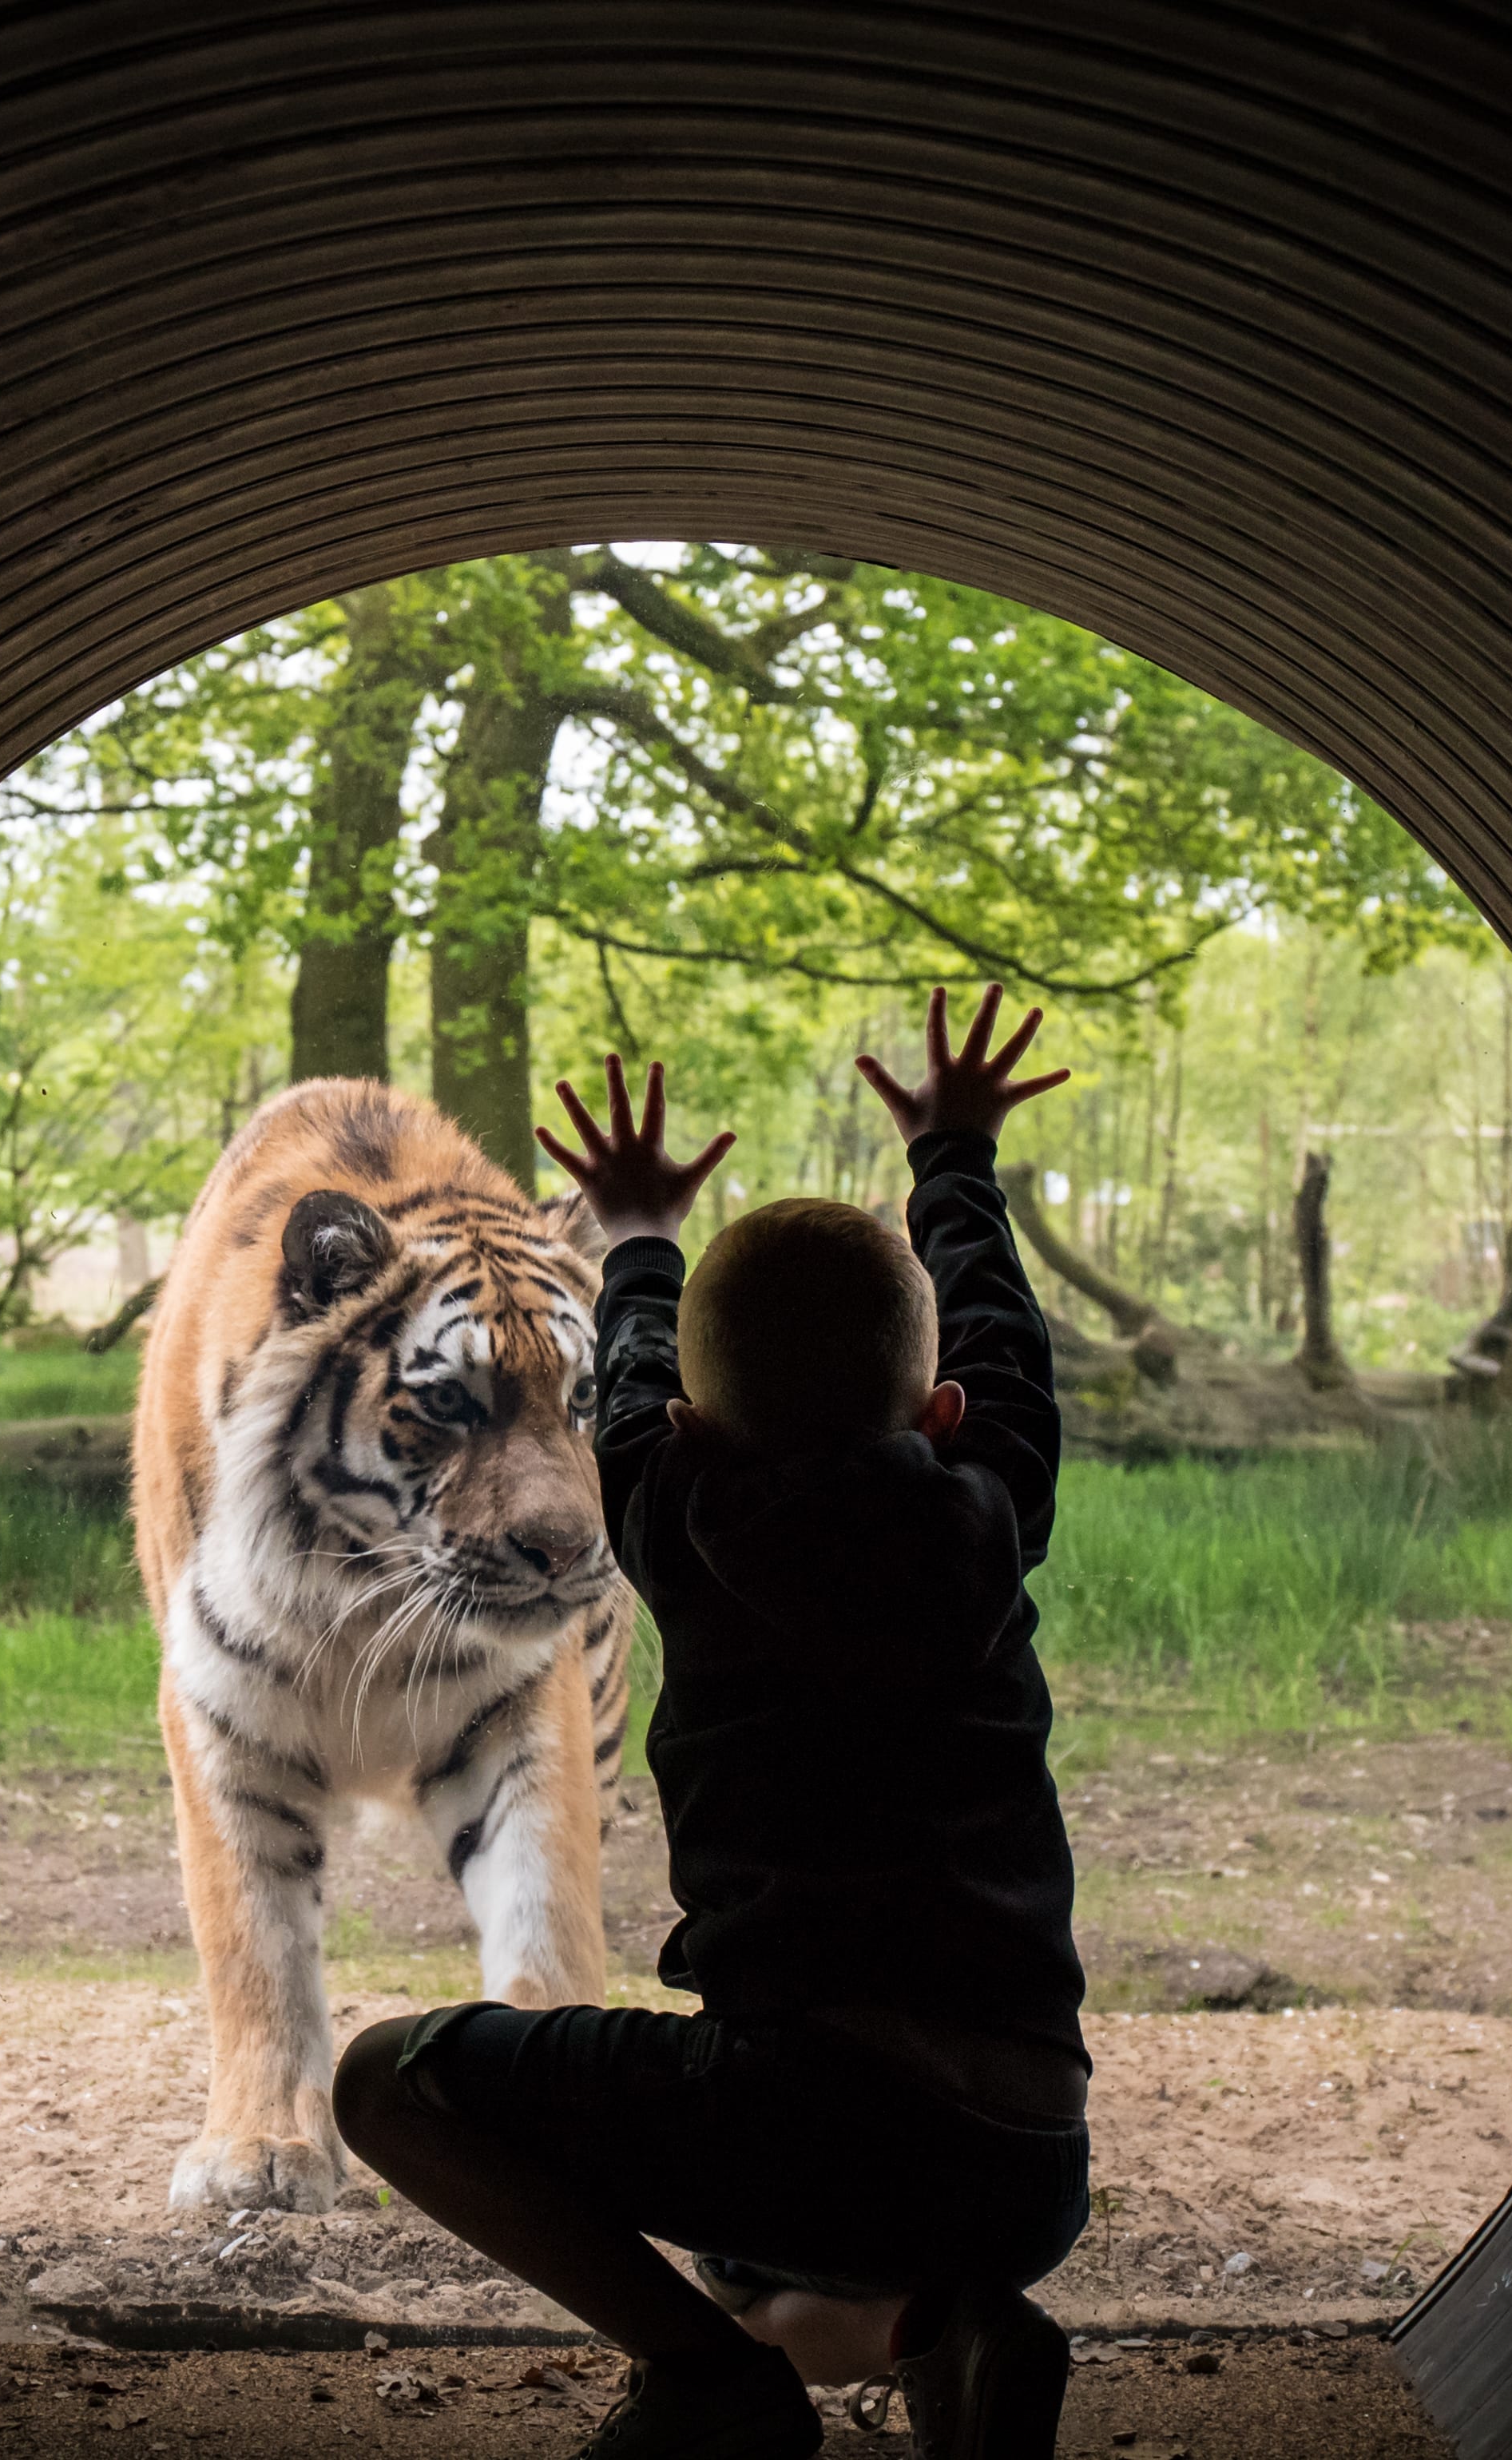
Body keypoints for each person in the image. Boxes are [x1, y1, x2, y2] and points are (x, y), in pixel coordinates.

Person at [332, 986, 1091, 2460]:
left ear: (679, 1430)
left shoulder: (680, 1520)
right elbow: (999, 1348)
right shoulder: (992, 1510)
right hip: (1027, 2161)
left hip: (810, 2120)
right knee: (764, 2264)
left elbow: (625, 1385)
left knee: (387, 2083)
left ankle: (702, 2378)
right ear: (940, 1417)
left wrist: (634, 1235)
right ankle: (950, 2333)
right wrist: (954, 1157)